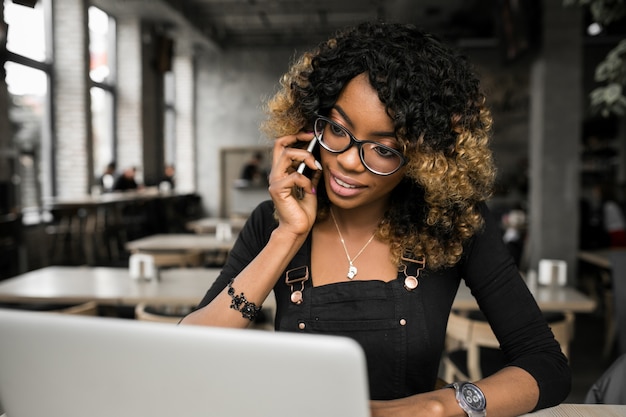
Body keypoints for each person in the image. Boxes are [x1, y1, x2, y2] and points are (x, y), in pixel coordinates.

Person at [180, 22, 570, 416]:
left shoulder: (452, 224)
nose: (348, 160)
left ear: (423, 159)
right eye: (336, 129)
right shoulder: (273, 222)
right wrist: (287, 236)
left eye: (383, 150)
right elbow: (189, 356)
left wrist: (438, 406)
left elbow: (546, 365)